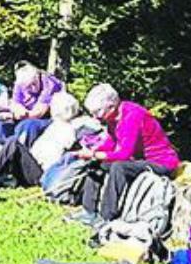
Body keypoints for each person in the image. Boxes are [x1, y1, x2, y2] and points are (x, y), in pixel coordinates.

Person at [66, 83, 180, 228]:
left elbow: (124, 154)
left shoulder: (132, 116)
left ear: (111, 106)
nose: (95, 117)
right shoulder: (113, 118)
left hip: (160, 162)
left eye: (97, 112)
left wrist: (95, 153)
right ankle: (88, 210)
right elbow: (112, 141)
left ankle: (107, 216)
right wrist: (93, 153)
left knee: (119, 167)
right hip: (142, 159)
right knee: (95, 164)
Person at [0, 91, 98, 190]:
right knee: (11, 142)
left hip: (41, 172)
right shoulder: (54, 124)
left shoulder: (69, 130)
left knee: (13, 143)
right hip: (35, 163)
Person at [0, 63, 62, 145]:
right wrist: (18, 110)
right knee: (1, 124)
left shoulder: (49, 84)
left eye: (34, 83)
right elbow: (15, 103)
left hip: (47, 117)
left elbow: (38, 113)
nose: (33, 88)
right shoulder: (20, 83)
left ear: (37, 76)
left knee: (28, 125)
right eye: (28, 86)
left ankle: (18, 148)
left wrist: (16, 115)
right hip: (26, 115)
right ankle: (7, 147)